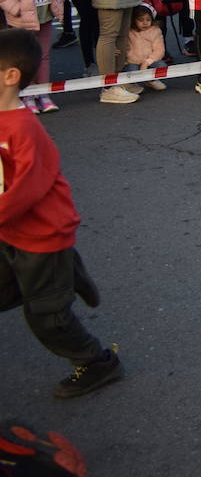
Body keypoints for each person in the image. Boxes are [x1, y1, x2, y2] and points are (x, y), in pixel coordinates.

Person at [0, 29, 122, 399]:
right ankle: (64, 277)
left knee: (47, 318)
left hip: (42, 236)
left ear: (10, 77)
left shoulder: (23, 129)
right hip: (10, 234)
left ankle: (97, 361)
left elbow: (25, 193)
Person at [125, 3, 168, 91]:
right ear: (134, 20)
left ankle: (150, 80)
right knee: (131, 72)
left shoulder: (155, 31)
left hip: (149, 61)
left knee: (162, 66)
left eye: (148, 20)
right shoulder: (129, 31)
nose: (145, 23)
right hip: (132, 61)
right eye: (141, 20)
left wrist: (147, 62)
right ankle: (131, 84)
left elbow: (159, 50)